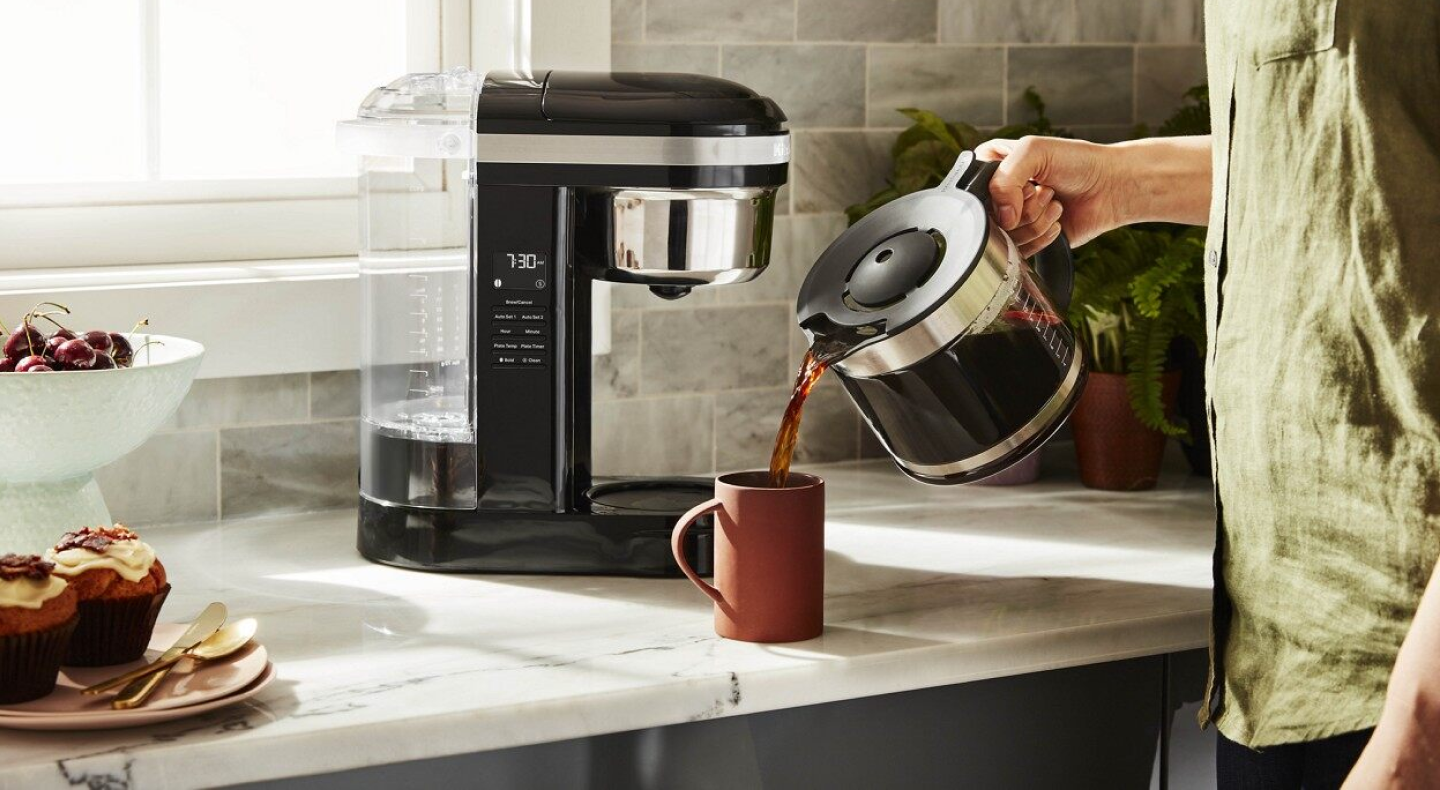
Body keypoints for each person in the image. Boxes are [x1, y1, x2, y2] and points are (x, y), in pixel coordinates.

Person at [974, 2, 1440, 787]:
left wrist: (1416, 739)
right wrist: (1123, 185)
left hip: (1404, 672)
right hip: (1277, 655)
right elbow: (1354, 143)